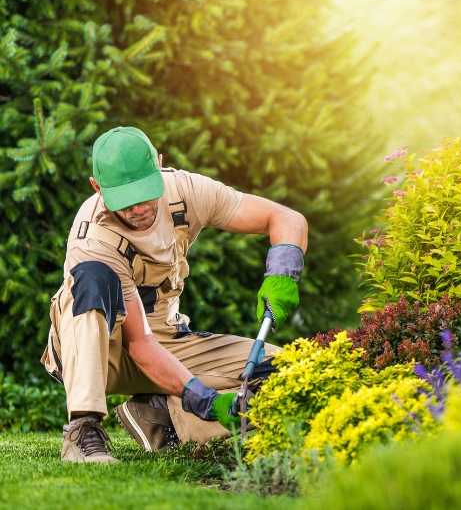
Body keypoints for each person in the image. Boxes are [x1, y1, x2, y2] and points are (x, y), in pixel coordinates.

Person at [41, 127, 307, 463]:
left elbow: (284, 217)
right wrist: (204, 399)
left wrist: (282, 274)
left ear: (160, 165)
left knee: (287, 370)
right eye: (125, 199)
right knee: (91, 279)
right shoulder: (94, 238)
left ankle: (160, 415)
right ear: (97, 187)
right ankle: (83, 431)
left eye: (145, 192)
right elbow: (138, 344)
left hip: (166, 340)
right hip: (101, 352)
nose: (138, 208)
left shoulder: (186, 191)